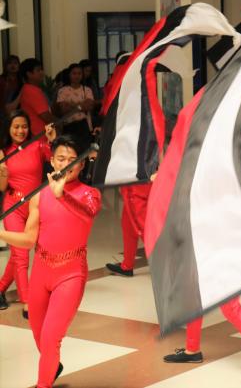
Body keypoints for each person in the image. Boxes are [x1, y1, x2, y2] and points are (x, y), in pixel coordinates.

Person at [0, 135, 101, 388]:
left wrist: (61, 196)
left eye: (72, 160)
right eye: (60, 159)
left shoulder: (90, 194)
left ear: (81, 164)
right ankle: (52, 366)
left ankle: (43, 384)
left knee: (50, 339)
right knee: (38, 335)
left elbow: (86, 216)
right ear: (53, 161)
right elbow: (29, 238)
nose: (66, 165)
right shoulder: (40, 194)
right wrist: (0, 233)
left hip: (71, 274)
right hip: (42, 272)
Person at [0, 111, 56, 313]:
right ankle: (27, 302)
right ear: (8, 128)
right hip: (12, 207)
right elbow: (1, 187)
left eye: (24, 126)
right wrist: (2, 173)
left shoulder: (38, 145)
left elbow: (56, 160)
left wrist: (52, 140)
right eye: (16, 126)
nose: (20, 130)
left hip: (34, 206)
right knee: (22, 255)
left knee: (18, 254)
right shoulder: (3, 151)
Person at [163, 298, 241, 383]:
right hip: (204, 263)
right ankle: (192, 351)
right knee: (193, 303)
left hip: (219, 264)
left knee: (231, 309)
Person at [105, 182, 152, 277]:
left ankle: (166, 266)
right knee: (128, 224)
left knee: (143, 228)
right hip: (140, 180)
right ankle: (127, 265)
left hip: (136, 184)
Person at [55, 63, 95, 149]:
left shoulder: (87, 90)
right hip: (69, 125)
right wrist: (81, 105)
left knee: (84, 149)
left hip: (84, 124)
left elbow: (89, 106)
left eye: (79, 73)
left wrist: (70, 104)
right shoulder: (63, 91)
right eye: (74, 73)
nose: (77, 76)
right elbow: (63, 109)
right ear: (69, 74)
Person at [18, 58, 56, 136]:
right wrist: (60, 122)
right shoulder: (31, 90)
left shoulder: (28, 88)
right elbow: (45, 116)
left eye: (41, 70)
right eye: (38, 70)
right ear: (29, 74)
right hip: (38, 136)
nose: (42, 72)